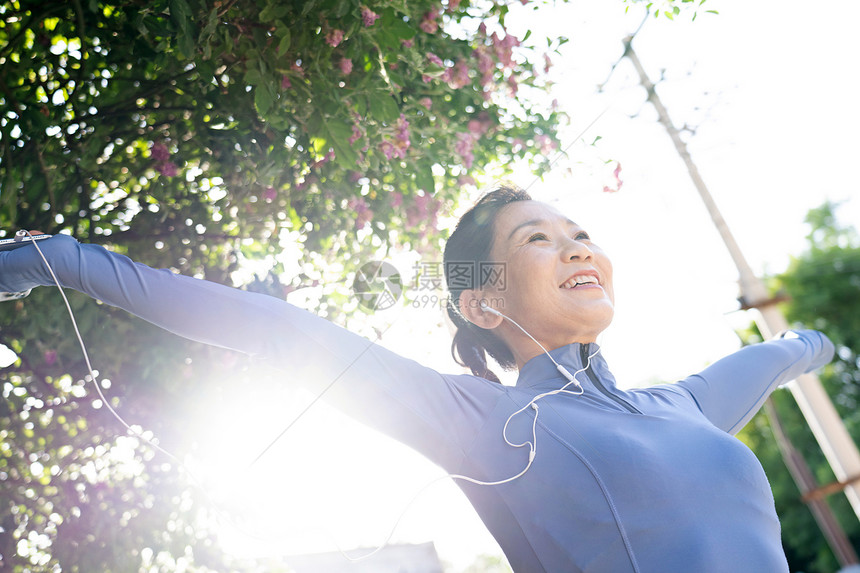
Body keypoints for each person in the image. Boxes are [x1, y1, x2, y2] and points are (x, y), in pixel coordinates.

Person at [0, 185, 834, 572]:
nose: (578, 245)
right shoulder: (480, 418)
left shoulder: (684, 404)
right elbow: (274, 330)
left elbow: (784, 352)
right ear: (481, 302)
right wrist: (68, 263)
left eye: (580, 231)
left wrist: (823, 343)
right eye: (538, 239)